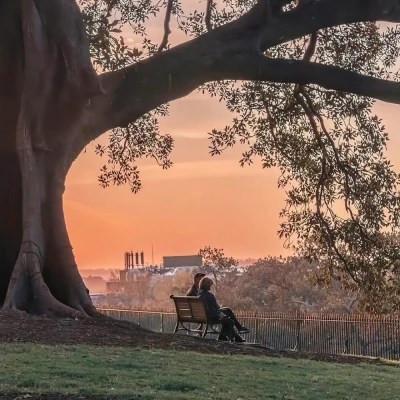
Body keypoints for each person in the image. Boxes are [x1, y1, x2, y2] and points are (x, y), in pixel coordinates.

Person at [198, 277, 249, 342]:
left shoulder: (199, 295)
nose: (210, 287)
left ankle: (237, 334)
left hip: (205, 316)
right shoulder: (209, 296)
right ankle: (226, 336)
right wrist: (221, 315)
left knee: (227, 310)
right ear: (207, 285)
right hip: (211, 317)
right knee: (229, 321)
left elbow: (210, 308)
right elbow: (216, 309)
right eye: (210, 285)